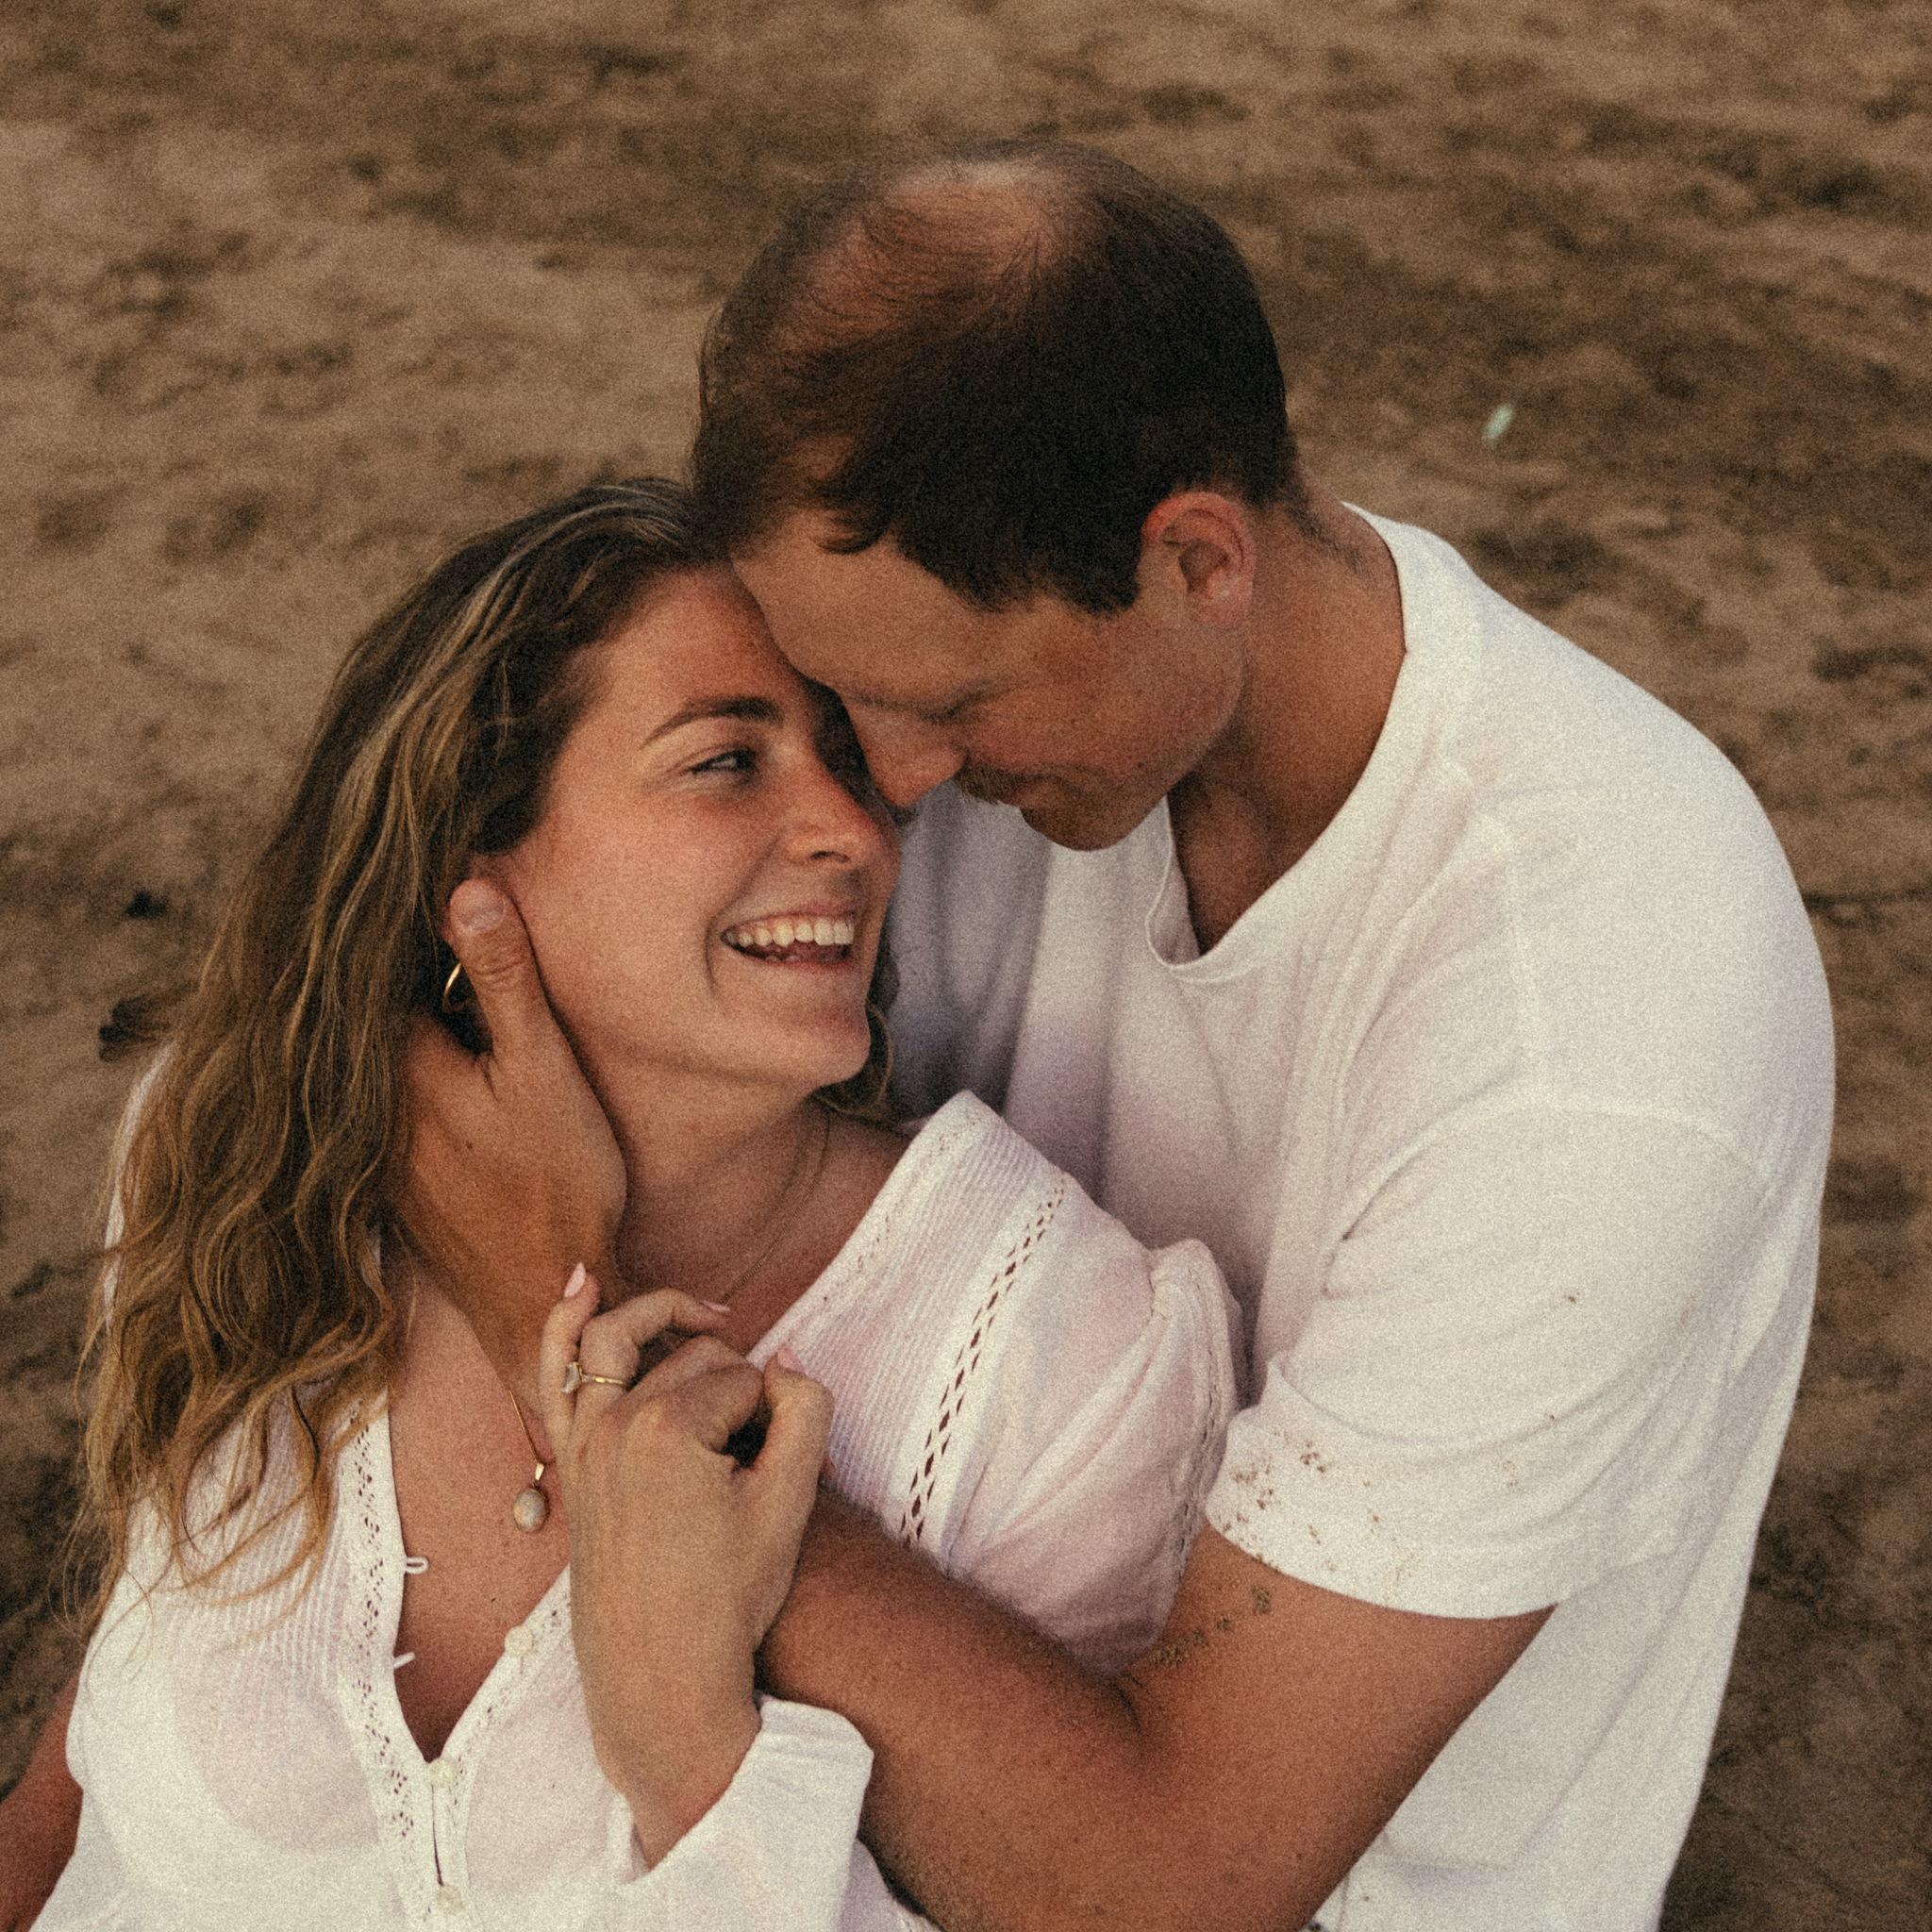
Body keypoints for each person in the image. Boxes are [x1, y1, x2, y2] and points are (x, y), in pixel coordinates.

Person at [394, 142, 1836, 1931]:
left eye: (948, 702)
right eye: (843, 699)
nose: (886, 789)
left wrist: (590, 1340)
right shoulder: (1026, 729)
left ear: (1197, 560)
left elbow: (1180, 1884)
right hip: (918, 1618)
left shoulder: (1599, 1021)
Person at [1, 480, 1235, 1930]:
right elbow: (118, 1715)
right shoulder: (239, 1152)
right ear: (472, 863)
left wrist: (700, 1770)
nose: (852, 832)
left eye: (848, 760)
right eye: (727, 762)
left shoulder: (1057, 1364)